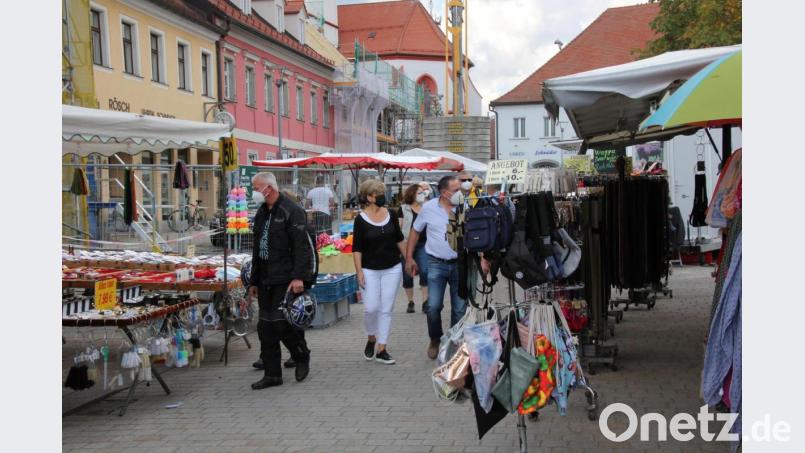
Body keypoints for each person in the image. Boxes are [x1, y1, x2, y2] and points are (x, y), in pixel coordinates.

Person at [247, 172, 315, 390]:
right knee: (264, 326)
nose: (254, 193)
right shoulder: (261, 213)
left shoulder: (291, 211)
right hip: (265, 276)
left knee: (281, 322)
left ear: (269, 187)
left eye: (256, 188)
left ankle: (301, 354)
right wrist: (254, 280)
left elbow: (301, 247)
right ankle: (272, 374)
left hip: (286, 276)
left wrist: (299, 277)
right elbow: (257, 249)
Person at [406, 175, 468, 360]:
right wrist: (409, 257)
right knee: (433, 306)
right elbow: (415, 231)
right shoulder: (428, 208)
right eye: (456, 190)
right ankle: (435, 338)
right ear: (444, 192)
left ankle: (454, 343)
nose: (460, 193)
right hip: (436, 263)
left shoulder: (466, 206)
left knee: (460, 308)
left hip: (460, 263)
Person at [352, 179, 405, 365]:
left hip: (392, 267)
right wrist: (359, 272)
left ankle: (382, 348)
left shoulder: (391, 214)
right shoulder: (360, 219)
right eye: (378, 194)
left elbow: (399, 239)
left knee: (386, 308)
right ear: (369, 197)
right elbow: (356, 248)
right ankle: (371, 337)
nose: (382, 197)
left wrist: (408, 260)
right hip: (369, 269)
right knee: (371, 308)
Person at [399, 183, 430, 314]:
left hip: (423, 244)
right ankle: (410, 301)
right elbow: (399, 227)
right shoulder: (403, 208)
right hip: (406, 245)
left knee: (425, 271)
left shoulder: (427, 208)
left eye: (423, 193)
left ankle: (425, 301)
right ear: (412, 194)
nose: (422, 195)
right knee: (407, 275)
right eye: (419, 192)